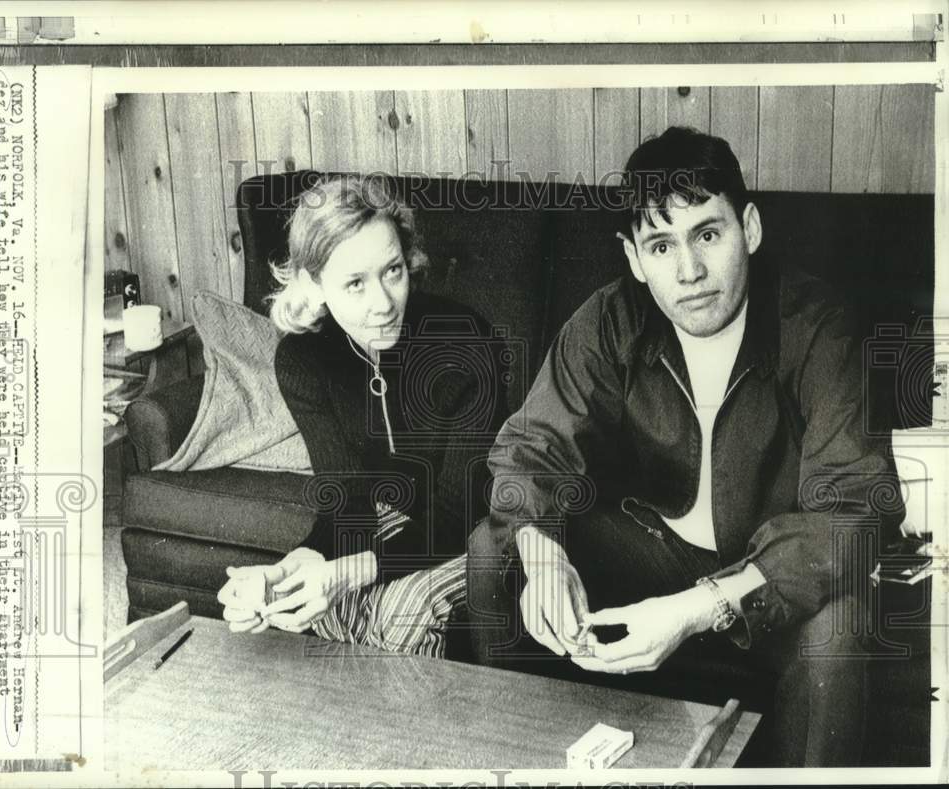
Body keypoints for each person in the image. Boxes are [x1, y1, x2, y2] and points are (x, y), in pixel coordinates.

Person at [466, 127, 905, 766]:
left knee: (841, 630)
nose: (689, 271)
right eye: (661, 245)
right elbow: (529, 448)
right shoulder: (610, 318)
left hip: (764, 580)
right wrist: (544, 552)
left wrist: (695, 609)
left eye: (708, 234)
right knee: (495, 550)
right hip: (652, 555)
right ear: (634, 258)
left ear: (749, 229)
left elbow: (854, 509)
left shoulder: (817, 325)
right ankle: (516, 766)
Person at [217, 175, 508, 658]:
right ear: (314, 285)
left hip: (481, 528)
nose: (383, 303)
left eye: (392, 271)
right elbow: (347, 504)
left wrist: (349, 572)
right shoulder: (304, 360)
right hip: (397, 526)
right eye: (355, 283)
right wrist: (287, 573)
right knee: (310, 599)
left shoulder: (465, 342)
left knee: (402, 612)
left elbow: (461, 512)